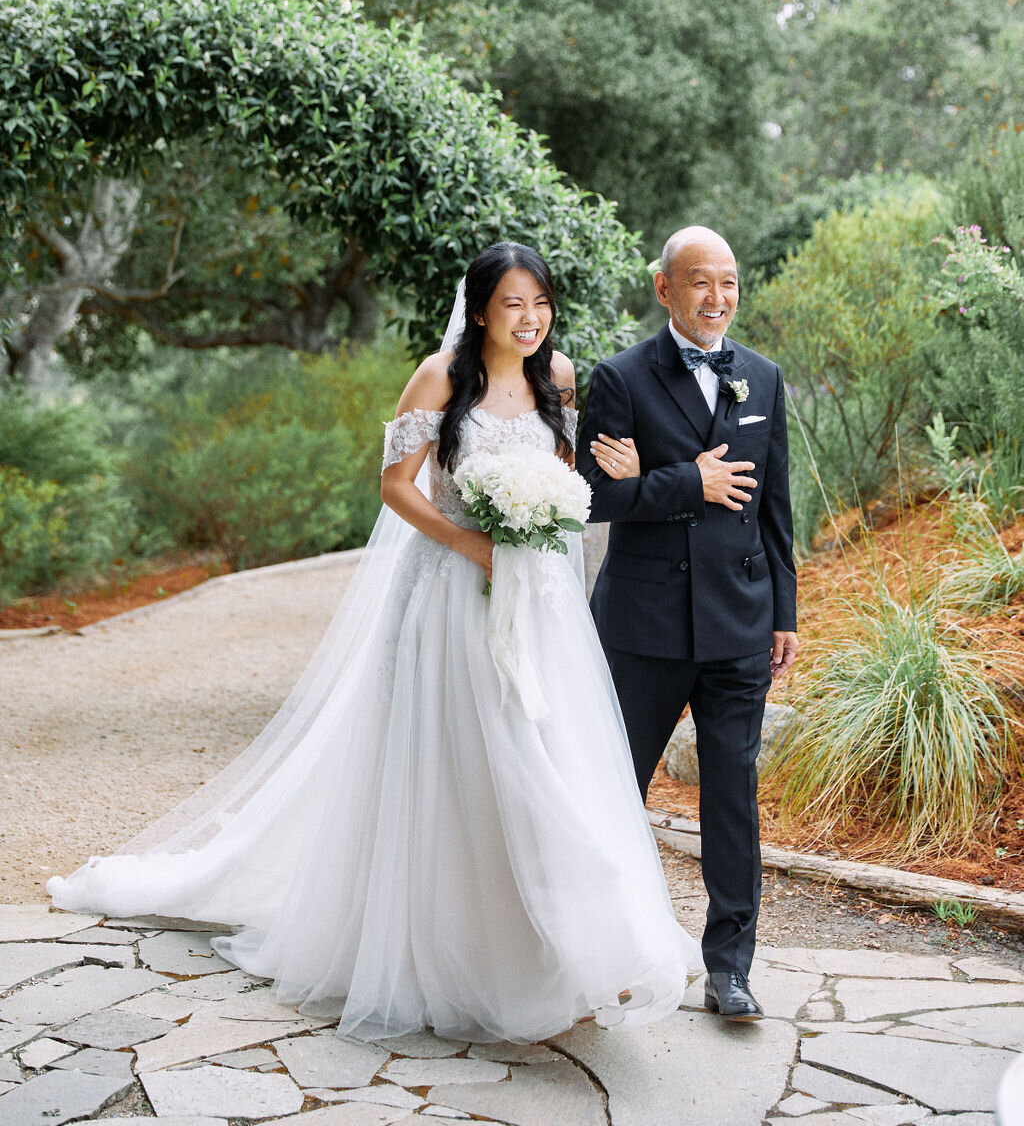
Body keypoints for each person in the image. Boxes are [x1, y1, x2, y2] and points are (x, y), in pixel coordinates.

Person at [49, 242, 699, 1043]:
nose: (529, 320)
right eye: (511, 305)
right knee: (465, 760)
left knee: (549, 757)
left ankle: (565, 945)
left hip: (537, 602)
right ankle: (460, 950)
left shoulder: (559, 377)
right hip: (450, 596)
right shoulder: (439, 377)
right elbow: (394, 485)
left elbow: (571, 482)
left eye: (540, 304)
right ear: (481, 308)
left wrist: (608, 475)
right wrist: (473, 545)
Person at [578, 225, 798, 1023]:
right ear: (666, 289)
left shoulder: (764, 379)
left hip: (740, 623)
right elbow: (593, 498)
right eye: (701, 282)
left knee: (732, 799)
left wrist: (786, 611)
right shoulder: (622, 378)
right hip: (643, 626)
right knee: (615, 792)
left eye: (730, 282)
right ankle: (603, 951)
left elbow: (776, 505)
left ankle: (730, 968)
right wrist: (686, 482)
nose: (719, 298)